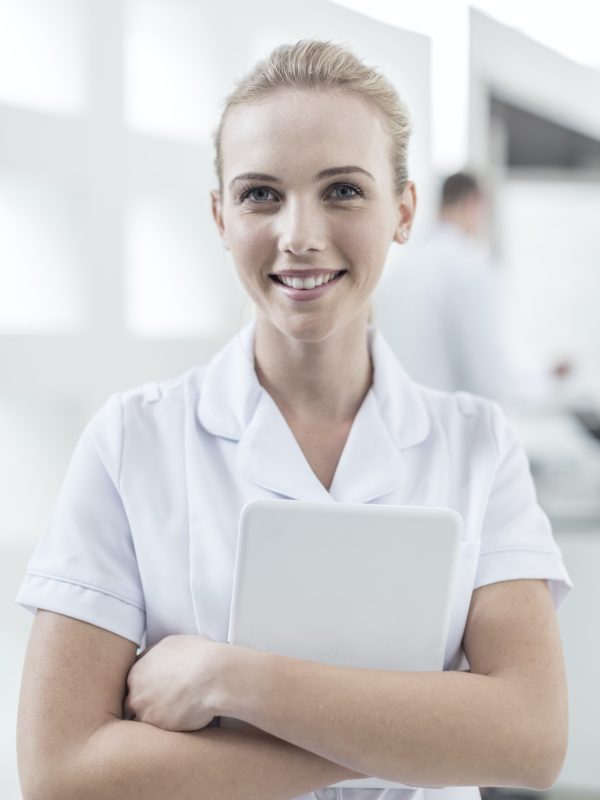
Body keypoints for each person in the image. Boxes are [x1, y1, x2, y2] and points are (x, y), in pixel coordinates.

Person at [15, 39, 573, 800]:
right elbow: (61, 771)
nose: (299, 234)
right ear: (220, 215)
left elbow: (532, 740)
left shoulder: (476, 444)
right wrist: (430, 735)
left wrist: (229, 678)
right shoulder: (130, 442)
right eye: (260, 195)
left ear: (403, 211)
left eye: (343, 190)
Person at [373, 171, 511, 407]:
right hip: (452, 425)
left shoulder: (402, 265)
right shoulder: (468, 265)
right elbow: (486, 376)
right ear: (473, 203)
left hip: (399, 415)